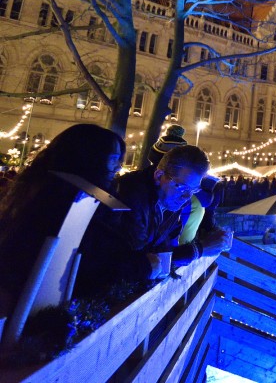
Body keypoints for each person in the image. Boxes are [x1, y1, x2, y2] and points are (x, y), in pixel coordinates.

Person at [0, 124, 124, 315]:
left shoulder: (39, 188)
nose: (119, 167)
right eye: (114, 159)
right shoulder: (68, 200)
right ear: (89, 158)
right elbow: (96, 262)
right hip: (26, 308)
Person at [76, 145, 231, 297]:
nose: (187, 197)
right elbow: (140, 259)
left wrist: (204, 242)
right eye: (183, 188)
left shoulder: (169, 197)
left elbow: (162, 252)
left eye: (193, 190)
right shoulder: (132, 197)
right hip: (94, 294)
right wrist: (199, 250)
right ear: (159, 176)